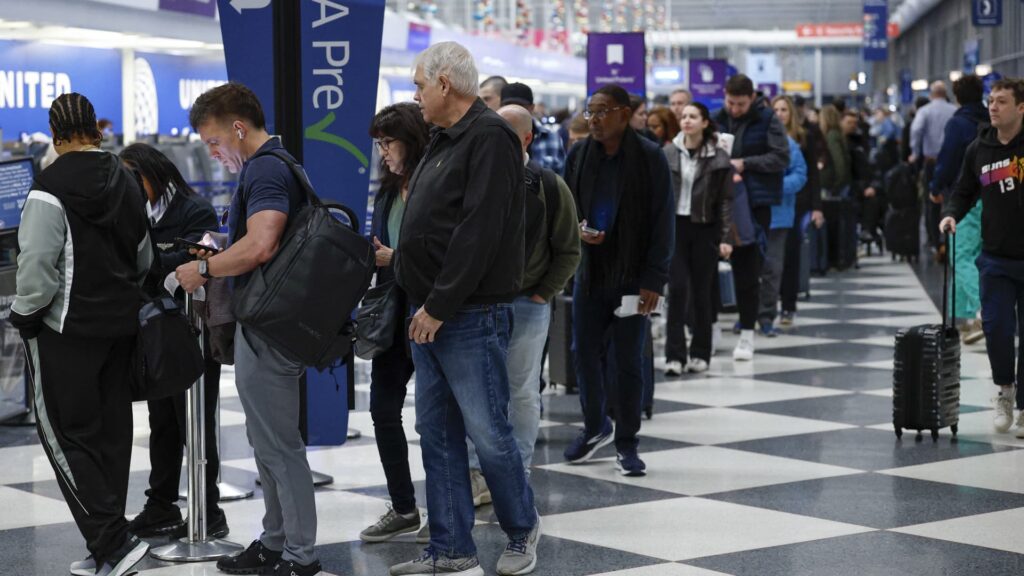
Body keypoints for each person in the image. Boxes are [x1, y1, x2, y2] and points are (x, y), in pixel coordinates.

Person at [390, 41, 540, 576]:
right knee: (437, 434)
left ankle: (522, 530)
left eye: (418, 85)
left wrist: (438, 304)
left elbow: (479, 232)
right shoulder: (442, 137)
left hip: (466, 313)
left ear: (445, 84)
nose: (416, 95)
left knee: (489, 435)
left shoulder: (492, 137)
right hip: (427, 312)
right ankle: (452, 548)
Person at [176, 83, 321, 576]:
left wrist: (205, 271)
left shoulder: (264, 168)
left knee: (279, 446)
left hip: (270, 327)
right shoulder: (276, 165)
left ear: (238, 128)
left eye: (214, 142)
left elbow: (261, 245)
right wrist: (221, 242)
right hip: (271, 322)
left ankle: (299, 555)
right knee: (267, 444)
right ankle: (276, 540)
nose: (214, 154)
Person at [10, 92, 153, 576]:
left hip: (65, 330)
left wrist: (23, 313)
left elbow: (36, 268)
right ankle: (107, 545)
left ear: (55, 134)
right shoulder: (127, 179)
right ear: (96, 128)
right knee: (111, 433)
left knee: (67, 437)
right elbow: (144, 255)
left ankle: (113, 542)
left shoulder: (48, 186)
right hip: (121, 326)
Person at [465, 104, 581, 500]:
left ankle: (516, 471)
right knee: (478, 389)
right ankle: (479, 473)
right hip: (478, 303)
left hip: (527, 304)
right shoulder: (475, 178)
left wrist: (542, 292)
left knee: (521, 391)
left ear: (526, 138)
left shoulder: (549, 185)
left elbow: (569, 248)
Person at [563, 84, 675, 475]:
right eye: (590, 112)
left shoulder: (649, 157)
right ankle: (596, 426)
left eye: (602, 112)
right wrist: (577, 230)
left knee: (627, 360)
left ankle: (627, 442)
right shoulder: (578, 154)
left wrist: (654, 280)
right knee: (583, 352)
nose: (594, 120)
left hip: (633, 277)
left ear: (624, 115)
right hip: (590, 272)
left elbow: (663, 222)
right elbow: (567, 208)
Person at [120, 143, 228, 540]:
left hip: (191, 331)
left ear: (151, 173)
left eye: (134, 178)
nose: (129, 188)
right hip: (153, 332)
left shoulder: (193, 209)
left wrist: (156, 265)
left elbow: (199, 264)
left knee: (193, 422)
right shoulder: (133, 213)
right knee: (161, 420)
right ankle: (160, 504)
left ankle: (208, 508)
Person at [359, 103, 430, 544]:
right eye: (379, 144)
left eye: (389, 142)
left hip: (434, 311)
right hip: (392, 312)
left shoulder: (436, 183)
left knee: (439, 419)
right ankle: (403, 506)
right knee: (383, 410)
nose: (383, 152)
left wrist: (395, 258)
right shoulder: (387, 192)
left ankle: (448, 509)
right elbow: (381, 248)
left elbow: (448, 252)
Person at [939, 78, 1024, 435]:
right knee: (997, 329)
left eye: (1002, 101)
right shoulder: (979, 148)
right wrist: (951, 213)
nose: (993, 107)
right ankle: (1005, 391)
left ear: (1021, 108)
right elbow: (964, 190)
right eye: (991, 100)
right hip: (995, 258)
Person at [713, 74, 790, 361]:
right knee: (707, 269)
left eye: (741, 104)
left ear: (752, 98)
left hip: (755, 203)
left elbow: (781, 158)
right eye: (730, 102)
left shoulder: (768, 119)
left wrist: (745, 164)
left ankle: (747, 332)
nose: (734, 109)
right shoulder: (715, 117)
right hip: (716, 202)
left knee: (748, 269)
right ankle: (710, 327)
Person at [663, 102, 734, 375]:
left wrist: (726, 237)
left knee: (702, 293)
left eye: (693, 117)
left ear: (705, 122)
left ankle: (701, 352)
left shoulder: (718, 157)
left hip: (704, 227)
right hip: (676, 227)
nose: (687, 121)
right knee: (677, 289)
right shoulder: (668, 152)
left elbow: (725, 201)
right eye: (684, 117)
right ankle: (674, 355)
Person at [932, 74, 989, 345]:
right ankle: (967, 317)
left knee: (960, 255)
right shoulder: (989, 121)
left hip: (964, 197)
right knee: (972, 254)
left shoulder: (958, 124)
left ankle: (982, 311)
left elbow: (947, 159)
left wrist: (935, 185)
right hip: (988, 196)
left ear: (957, 96)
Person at [776, 95, 824, 326]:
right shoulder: (766, 137)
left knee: (791, 255)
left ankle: (788, 305)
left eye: (784, 109)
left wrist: (817, 207)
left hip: (798, 202)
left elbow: (813, 173)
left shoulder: (804, 138)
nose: (780, 114)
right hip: (773, 204)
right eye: (776, 109)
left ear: (791, 113)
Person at [758, 116, 808, 335]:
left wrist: (774, 186)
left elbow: (800, 175)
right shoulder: (753, 143)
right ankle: (747, 314)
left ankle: (767, 315)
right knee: (748, 269)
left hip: (779, 216)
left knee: (773, 268)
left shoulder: (789, 145)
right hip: (751, 214)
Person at [912, 81, 958, 260]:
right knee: (952, 201)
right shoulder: (954, 110)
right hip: (953, 162)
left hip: (931, 161)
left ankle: (934, 241)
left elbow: (916, 131)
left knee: (931, 201)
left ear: (931, 94)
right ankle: (948, 241)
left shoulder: (925, 111)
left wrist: (915, 153)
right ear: (946, 93)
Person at [501, 82, 567, 175]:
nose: (514, 110)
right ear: (501, 107)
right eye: (509, 105)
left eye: (520, 106)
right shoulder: (492, 136)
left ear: (532, 108)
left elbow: (559, 178)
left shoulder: (551, 137)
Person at [819, 105, 851, 197]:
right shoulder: (838, 133)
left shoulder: (832, 135)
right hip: (838, 183)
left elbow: (839, 161)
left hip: (833, 184)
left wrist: (837, 184)